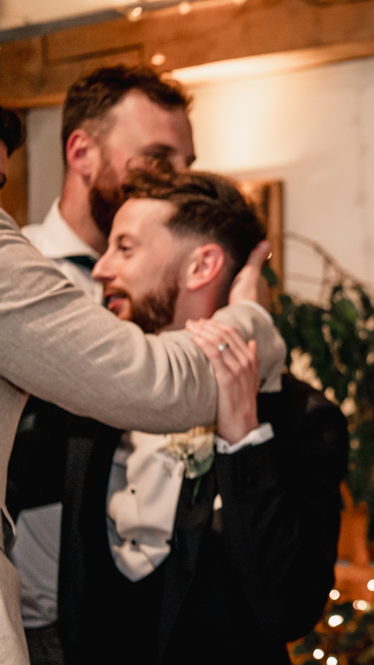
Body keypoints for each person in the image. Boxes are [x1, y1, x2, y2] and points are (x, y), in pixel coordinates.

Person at [10, 167, 347, 665]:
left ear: (201, 266)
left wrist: (243, 440)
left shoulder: (301, 417)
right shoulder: (94, 399)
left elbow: (287, 611)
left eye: (125, 248)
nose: (100, 269)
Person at [9, 66, 196, 663]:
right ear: (81, 153)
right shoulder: (18, 272)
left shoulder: (182, 298)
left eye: (187, 162)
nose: (178, 179)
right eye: (157, 157)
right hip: (33, 619)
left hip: (140, 622)